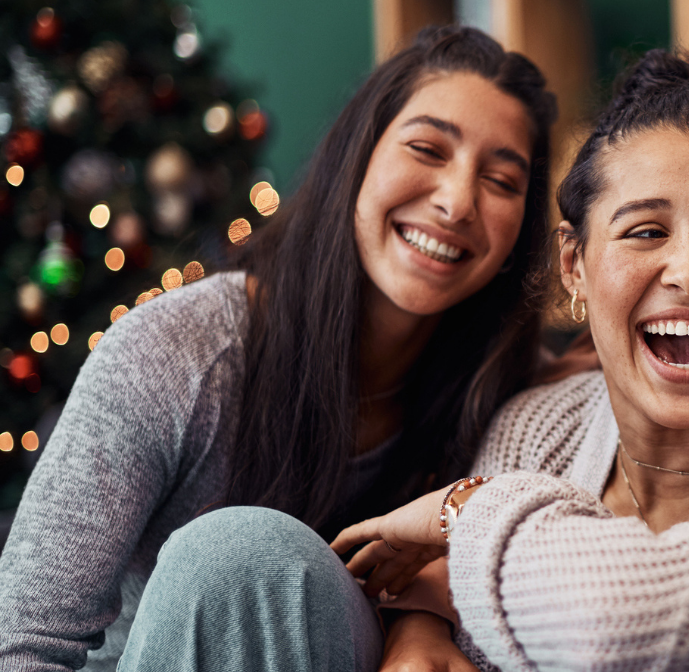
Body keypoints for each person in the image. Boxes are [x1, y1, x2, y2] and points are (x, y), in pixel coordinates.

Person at [125, 50, 689, 672]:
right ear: (574, 268)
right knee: (233, 553)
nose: (688, 270)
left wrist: (463, 510)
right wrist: (421, 622)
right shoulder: (535, 424)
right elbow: (446, 612)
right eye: (643, 230)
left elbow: (612, 619)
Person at [0, 25, 556, 671]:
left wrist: (423, 620)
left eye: (502, 181)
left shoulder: (510, 403)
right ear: (358, 156)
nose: (458, 201)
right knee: (245, 553)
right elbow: (23, 643)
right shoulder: (178, 353)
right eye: (428, 148)